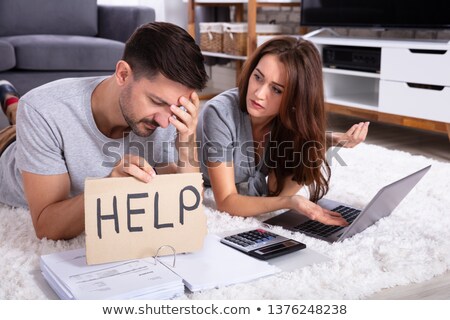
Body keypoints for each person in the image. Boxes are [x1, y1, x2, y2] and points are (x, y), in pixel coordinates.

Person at [0, 22, 208, 240]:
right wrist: (108, 188)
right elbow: (47, 227)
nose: (165, 123)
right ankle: (13, 104)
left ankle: (9, 100)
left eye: (176, 108)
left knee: (19, 113)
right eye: (156, 101)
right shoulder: (43, 109)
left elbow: (188, 201)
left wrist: (187, 140)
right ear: (123, 74)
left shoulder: (166, 116)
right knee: (21, 117)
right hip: (8, 145)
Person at [197, 36, 369, 226]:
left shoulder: (286, 120)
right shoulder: (219, 113)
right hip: (167, 156)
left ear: (296, 99)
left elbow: (277, 192)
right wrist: (291, 202)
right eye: (258, 77)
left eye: (277, 90)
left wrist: (320, 143)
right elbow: (227, 202)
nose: (259, 94)